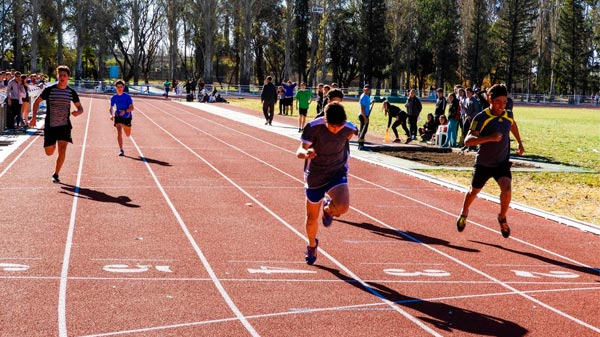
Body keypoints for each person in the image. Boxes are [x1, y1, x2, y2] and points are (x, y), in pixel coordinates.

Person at [456, 84, 525, 238]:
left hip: (501, 163)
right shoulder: (481, 117)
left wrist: (520, 143)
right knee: (474, 191)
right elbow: (468, 141)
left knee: (507, 189)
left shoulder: (508, 115)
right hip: (484, 163)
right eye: (499, 102)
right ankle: (464, 212)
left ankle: (502, 217)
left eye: (505, 102)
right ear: (490, 100)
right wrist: (490, 138)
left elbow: (513, 126)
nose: (502, 106)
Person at [296, 101, 358, 265]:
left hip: (337, 172)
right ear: (325, 120)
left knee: (343, 207)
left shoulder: (348, 128)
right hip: (315, 176)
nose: (336, 130)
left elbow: (353, 132)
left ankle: (328, 208)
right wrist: (306, 153)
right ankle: (312, 245)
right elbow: (299, 151)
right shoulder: (313, 127)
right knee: (311, 219)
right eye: (332, 127)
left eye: (339, 127)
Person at [29, 65, 84, 183]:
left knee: (63, 149)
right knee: (49, 152)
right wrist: (33, 117)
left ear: (68, 77)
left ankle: (56, 173)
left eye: (64, 75)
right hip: (50, 125)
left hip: (64, 125)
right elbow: (37, 102)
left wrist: (77, 112)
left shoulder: (71, 92)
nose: (62, 77)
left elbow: (80, 108)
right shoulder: (50, 90)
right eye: (60, 75)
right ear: (57, 76)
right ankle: (51, 145)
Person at [109, 79, 135, 156]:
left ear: (123, 87)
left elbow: (132, 108)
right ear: (115, 88)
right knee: (119, 132)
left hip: (127, 116)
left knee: (127, 134)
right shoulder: (113, 97)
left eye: (121, 87)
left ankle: (125, 126)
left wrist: (125, 111)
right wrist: (111, 114)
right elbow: (110, 108)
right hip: (118, 116)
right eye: (118, 87)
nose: (119, 88)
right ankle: (121, 149)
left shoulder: (127, 97)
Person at [357, 84, 375, 150]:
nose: (367, 90)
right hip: (363, 115)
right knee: (363, 130)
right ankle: (360, 145)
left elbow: (366, 105)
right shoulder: (363, 97)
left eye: (368, 89)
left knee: (364, 130)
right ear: (363, 89)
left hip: (365, 115)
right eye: (366, 89)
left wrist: (371, 102)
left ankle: (361, 144)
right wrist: (365, 118)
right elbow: (362, 109)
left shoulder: (367, 96)